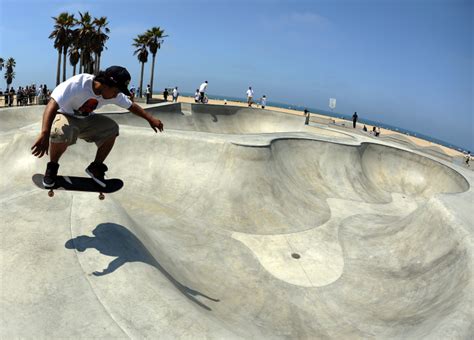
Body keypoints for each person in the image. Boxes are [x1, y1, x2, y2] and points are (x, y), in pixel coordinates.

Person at [31, 65, 164, 188]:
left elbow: (131, 106)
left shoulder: (113, 94)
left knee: (112, 129)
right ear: (106, 83)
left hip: (87, 120)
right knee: (59, 131)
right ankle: (52, 167)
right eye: (116, 90)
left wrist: (150, 119)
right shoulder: (79, 84)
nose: (116, 95)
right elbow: (52, 103)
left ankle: (96, 167)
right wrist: (44, 132)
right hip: (65, 116)